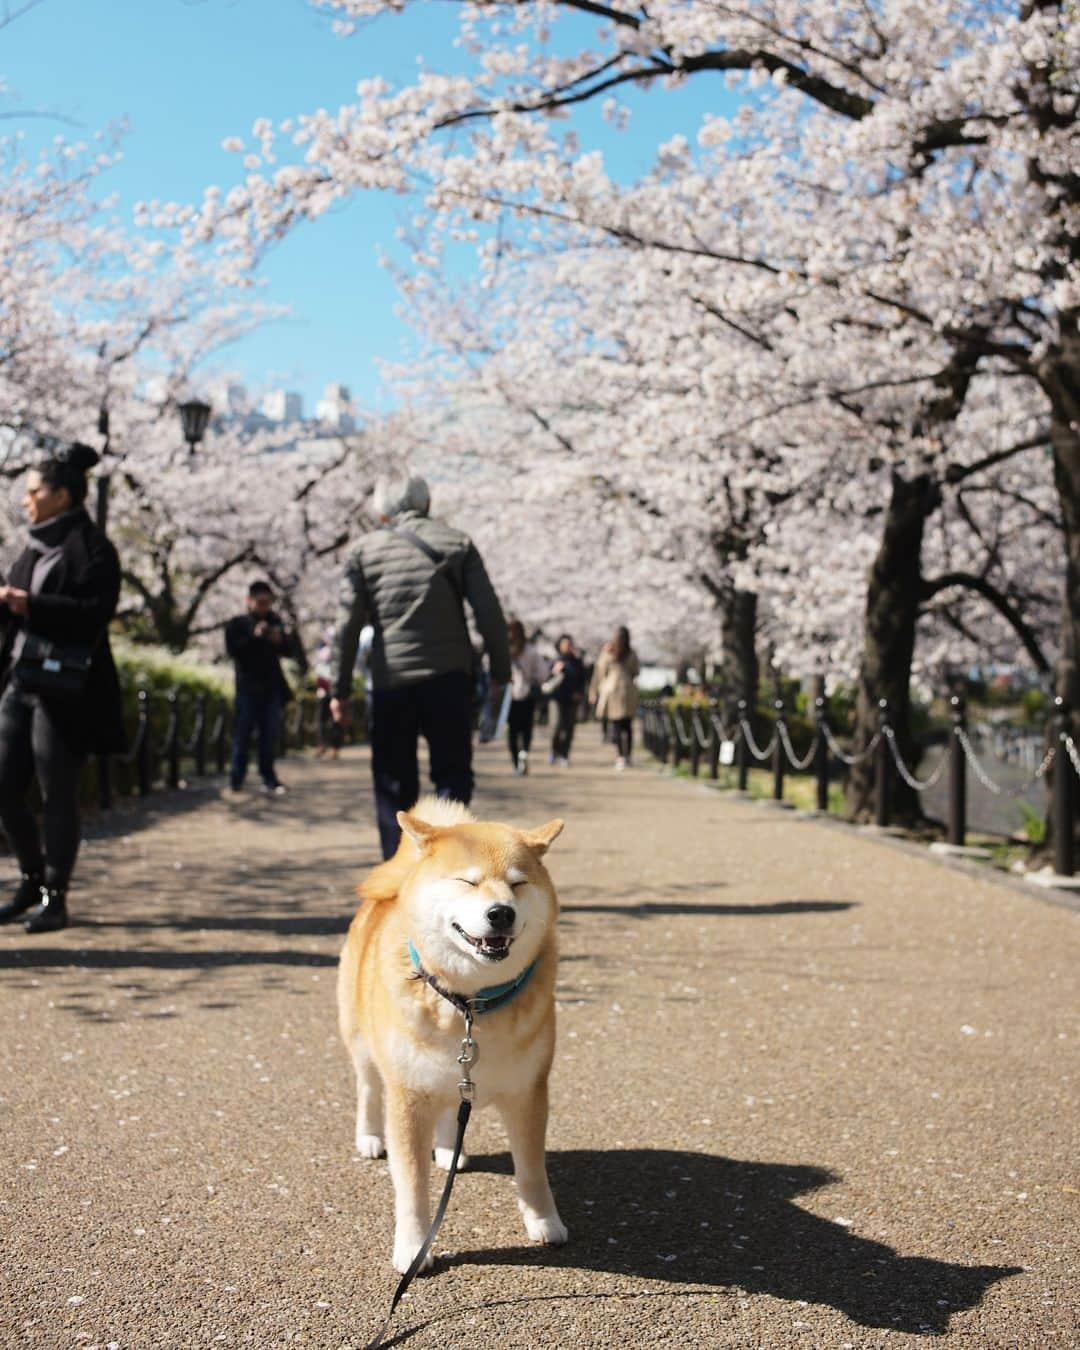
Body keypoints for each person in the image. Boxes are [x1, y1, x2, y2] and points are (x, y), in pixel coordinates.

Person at [329, 469, 510, 859]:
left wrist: (339, 690)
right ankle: (453, 866)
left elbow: (346, 627)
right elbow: (490, 616)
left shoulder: (363, 552)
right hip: (449, 678)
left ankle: (399, 871)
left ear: (382, 512)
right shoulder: (457, 543)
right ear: (427, 504)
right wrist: (500, 675)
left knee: (394, 782)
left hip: (391, 680)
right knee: (452, 776)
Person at [0, 443, 125, 932]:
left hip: (67, 687)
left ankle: (57, 894)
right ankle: (30, 879)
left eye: (35, 491)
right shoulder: (32, 548)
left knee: (58, 791)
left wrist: (31, 605)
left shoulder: (94, 549)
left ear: (62, 495)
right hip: (20, 679)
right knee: (4, 785)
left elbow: (95, 612)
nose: (27, 500)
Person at [225, 581, 293, 796]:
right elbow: (233, 650)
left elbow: (290, 650)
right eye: (261, 602)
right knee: (242, 735)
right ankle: (236, 778)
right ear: (250, 600)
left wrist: (278, 639)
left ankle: (269, 777)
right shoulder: (237, 624)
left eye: (268, 602)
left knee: (269, 736)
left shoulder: (275, 622)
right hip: (246, 688)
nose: (265, 607)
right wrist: (253, 636)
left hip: (271, 688)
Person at [590, 626, 641, 770]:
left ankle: (620, 757)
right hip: (628, 691)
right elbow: (636, 671)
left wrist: (594, 691)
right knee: (627, 726)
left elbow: (600, 672)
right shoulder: (631, 653)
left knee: (617, 725)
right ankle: (628, 756)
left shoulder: (608, 652)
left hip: (611, 690)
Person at [506, 618, 548, 775]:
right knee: (526, 729)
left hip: (510, 697)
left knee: (512, 731)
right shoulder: (531, 651)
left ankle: (516, 763)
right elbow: (543, 673)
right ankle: (524, 753)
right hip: (527, 695)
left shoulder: (504, 651)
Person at [543, 633, 587, 767]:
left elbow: (582, 680)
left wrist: (579, 693)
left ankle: (564, 754)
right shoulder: (554, 661)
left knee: (569, 728)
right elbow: (545, 679)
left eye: (569, 644)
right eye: (565, 645)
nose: (567, 647)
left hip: (572, 699)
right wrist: (554, 671)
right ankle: (554, 751)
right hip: (556, 699)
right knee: (556, 726)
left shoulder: (577, 662)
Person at [313, 630, 343, 761]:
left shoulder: (340, 651)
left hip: (335, 689)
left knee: (336, 720)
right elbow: (318, 669)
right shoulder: (321, 650)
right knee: (320, 720)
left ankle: (335, 748)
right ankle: (321, 745)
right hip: (323, 689)